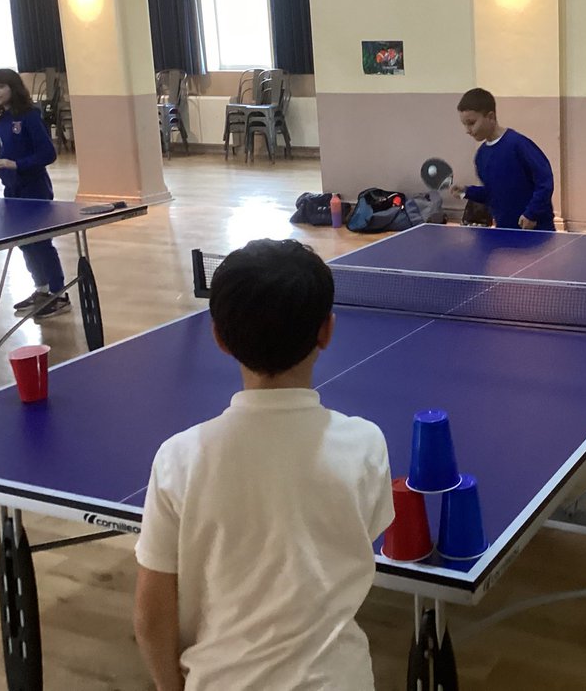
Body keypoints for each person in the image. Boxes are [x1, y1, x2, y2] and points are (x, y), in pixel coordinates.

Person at [133, 239, 395, 691]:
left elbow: (152, 611)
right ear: (327, 331)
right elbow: (359, 536)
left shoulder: (178, 459)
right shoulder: (366, 444)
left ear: (218, 337)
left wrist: (169, 686)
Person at [0, 68, 69, 319]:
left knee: (41, 243)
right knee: (24, 244)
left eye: (1, 86)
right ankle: (41, 290)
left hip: (35, 191)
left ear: (13, 88)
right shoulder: (1, 122)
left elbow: (47, 154)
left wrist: (17, 165)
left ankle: (59, 294)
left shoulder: (30, 117)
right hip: (12, 192)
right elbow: (4, 159)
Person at [452, 87, 555, 230]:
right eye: (464, 124)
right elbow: (493, 194)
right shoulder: (481, 156)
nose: (468, 130)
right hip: (505, 230)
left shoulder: (518, 144)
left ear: (491, 117)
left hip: (536, 231)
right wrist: (467, 192)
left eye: (472, 123)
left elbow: (545, 181)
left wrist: (532, 214)